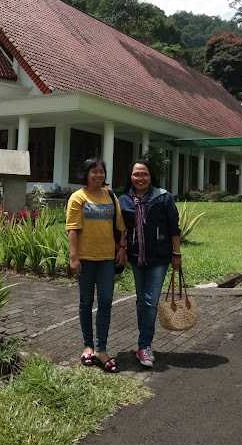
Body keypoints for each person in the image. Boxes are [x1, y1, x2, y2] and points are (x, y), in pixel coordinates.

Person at [66, 158, 127, 373]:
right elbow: (73, 230)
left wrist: (122, 248)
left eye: (101, 172)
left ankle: (102, 348)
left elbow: (120, 226)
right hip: (85, 259)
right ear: (86, 174)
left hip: (107, 260)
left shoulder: (110, 196)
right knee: (85, 302)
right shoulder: (78, 197)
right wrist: (74, 258)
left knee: (106, 301)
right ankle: (88, 345)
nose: (99, 175)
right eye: (94, 172)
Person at [119, 159, 181, 368]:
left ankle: (144, 345)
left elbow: (174, 228)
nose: (140, 178)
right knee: (141, 301)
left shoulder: (163, 197)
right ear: (130, 177)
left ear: (151, 176)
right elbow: (122, 229)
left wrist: (176, 254)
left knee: (150, 301)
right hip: (136, 258)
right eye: (136, 174)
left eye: (144, 174)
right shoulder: (124, 200)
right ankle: (143, 343)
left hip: (159, 258)